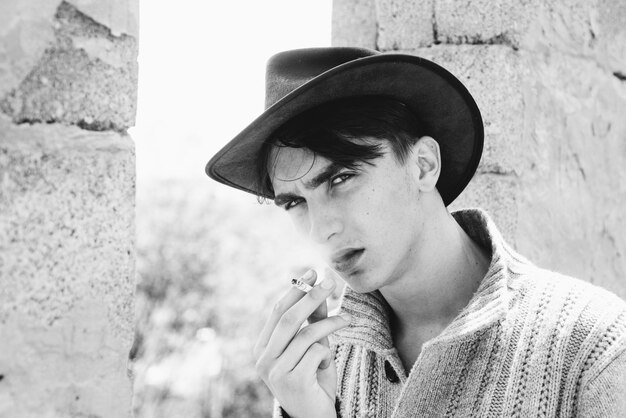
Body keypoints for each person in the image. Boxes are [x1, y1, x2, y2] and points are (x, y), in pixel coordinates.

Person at [205, 47, 626, 417]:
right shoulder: (317, 363)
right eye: (295, 202)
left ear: (423, 164)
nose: (321, 230)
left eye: (341, 178)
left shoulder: (593, 345)